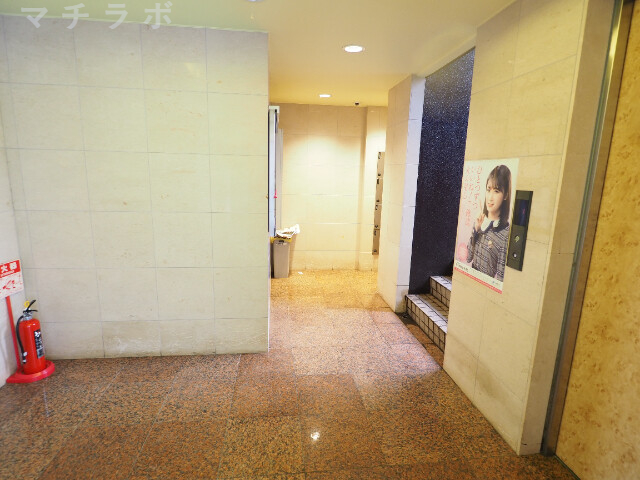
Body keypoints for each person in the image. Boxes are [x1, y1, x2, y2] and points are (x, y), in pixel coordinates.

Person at [467, 165, 512, 281]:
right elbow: (468, 257)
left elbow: (501, 279)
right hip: (470, 281)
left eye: (496, 191)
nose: (490, 197)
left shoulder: (505, 234)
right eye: (488, 190)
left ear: (506, 195)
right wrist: (475, 230)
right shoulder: (480, 221)